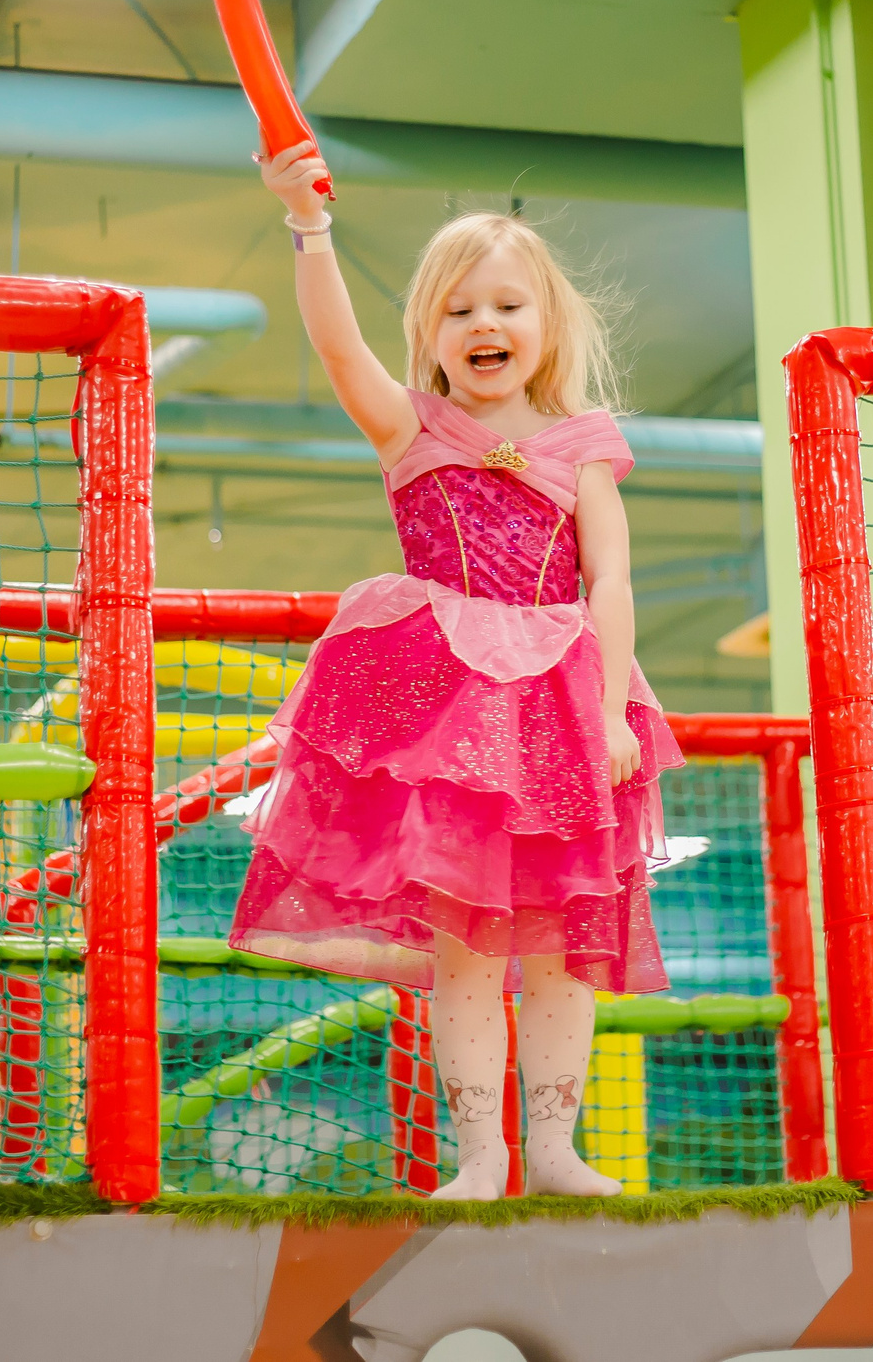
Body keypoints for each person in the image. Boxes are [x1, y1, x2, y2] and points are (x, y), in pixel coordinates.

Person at [226, 140, 683, 1200]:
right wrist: (309, 225)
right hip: (450, 709)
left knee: (569, 943)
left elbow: (609, 583)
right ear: (430, 332)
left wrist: (612, 710)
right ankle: (482, 1154)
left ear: (546, 326)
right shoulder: (409, 427)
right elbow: (339, 351)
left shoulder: (580, 446)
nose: (485, 327)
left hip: (559, 701)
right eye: (459, 311)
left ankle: (559, 1149)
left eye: (508, 307)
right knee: (467, 948)